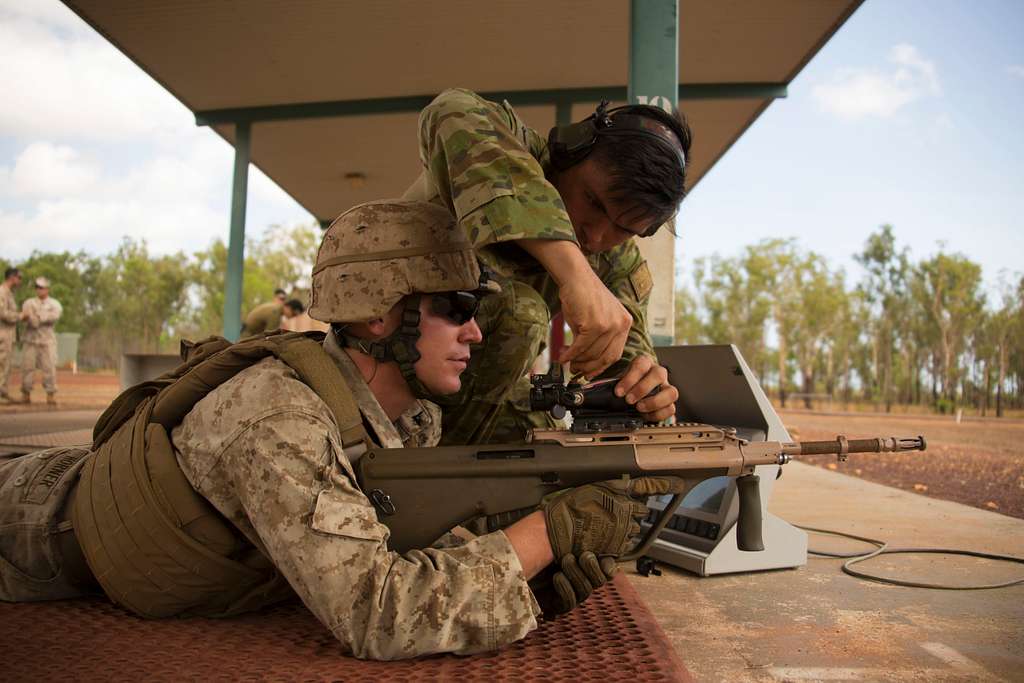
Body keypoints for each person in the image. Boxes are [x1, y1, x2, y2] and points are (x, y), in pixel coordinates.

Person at [0, 200, 659, 660]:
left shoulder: (408, 416)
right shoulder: (280, 419)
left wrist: (528, 583)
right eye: (455, 308)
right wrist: (545, 535)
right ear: (377, 317)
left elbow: (395, 545)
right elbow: (376, 612)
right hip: (30, 527)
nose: (476, 332)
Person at [403, 88, 690, 444]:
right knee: (522, 311)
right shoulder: (513, 151)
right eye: (594, 203)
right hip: (389, 367)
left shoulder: (617, 261)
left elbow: (627, 363)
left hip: (462, 408)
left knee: (554, 442)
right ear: (572, 151)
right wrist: (575, 272)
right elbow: (450, 108)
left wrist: (646, 390)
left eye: (623, 228)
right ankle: (428, 471)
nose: (597, 237)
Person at [20, 277, 62, 406]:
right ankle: (26, 394)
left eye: (41, 287)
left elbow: (53, 317)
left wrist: (36, 316)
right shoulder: (29, 303)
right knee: (27, 367)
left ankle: (50, 394)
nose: (39, 290)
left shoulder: (54, 304)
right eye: (37, 287)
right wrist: (38, 317)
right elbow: (26, 318)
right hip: (30, 340)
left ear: (47, 289)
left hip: (47, 341)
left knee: (49, 368)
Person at [0, 267, 25, 403]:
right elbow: (2, 313)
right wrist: (20, 316)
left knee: (5, 364)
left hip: (8, 335)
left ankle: (3, 392)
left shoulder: (9, 293)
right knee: (2, 364)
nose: (20, 280)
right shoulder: (2, 292)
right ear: (12, 277)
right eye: (19, 277)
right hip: (3, 334)